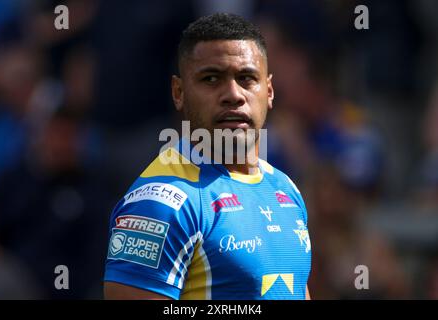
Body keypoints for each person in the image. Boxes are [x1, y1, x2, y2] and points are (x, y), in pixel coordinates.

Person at [103, 13, 311, 300]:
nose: (233, 94)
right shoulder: (160, 203)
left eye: (247, 78)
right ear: (179, 92)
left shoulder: (285, 190)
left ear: (269, 91)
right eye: (211, 79)